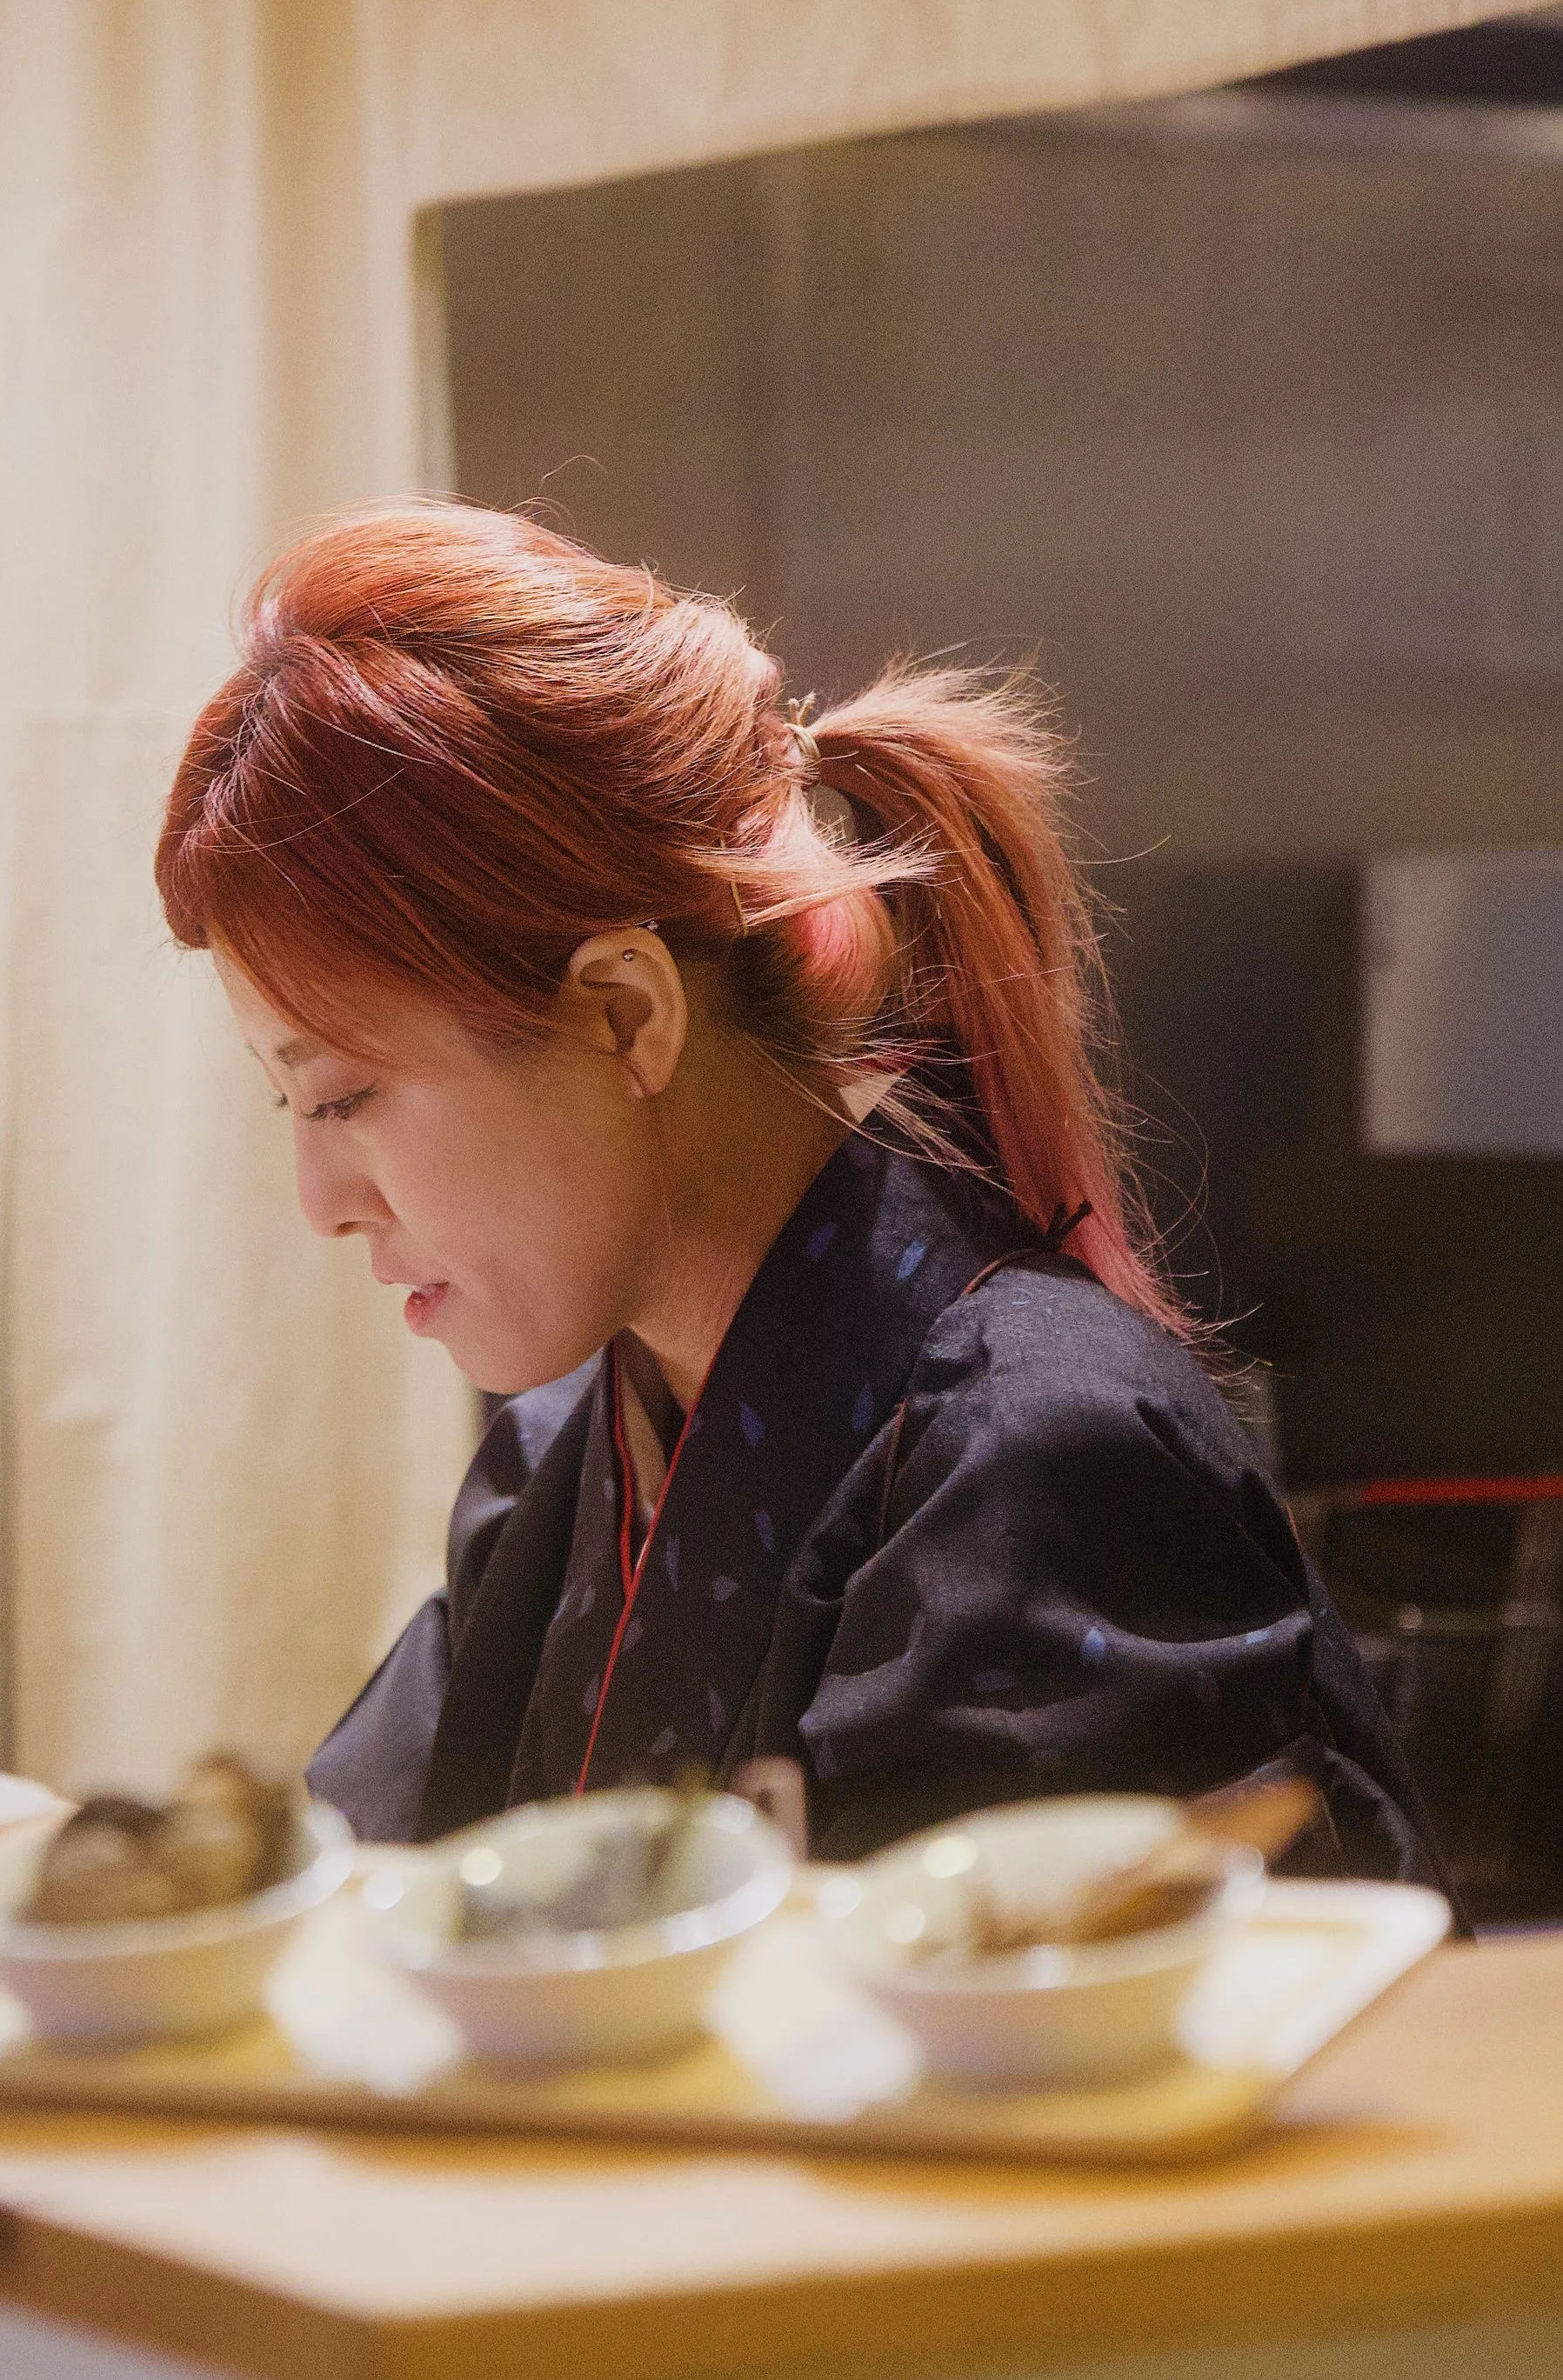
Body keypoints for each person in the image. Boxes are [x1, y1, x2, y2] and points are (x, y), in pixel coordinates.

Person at [155, 501, 1453, 1897]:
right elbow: (352, 1928)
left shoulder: (1035, 1464)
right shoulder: (551, 1471)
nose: (318, 1199)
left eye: (345, 1095)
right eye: (286, 1104)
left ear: (622, 1013)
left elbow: (975, 2074)